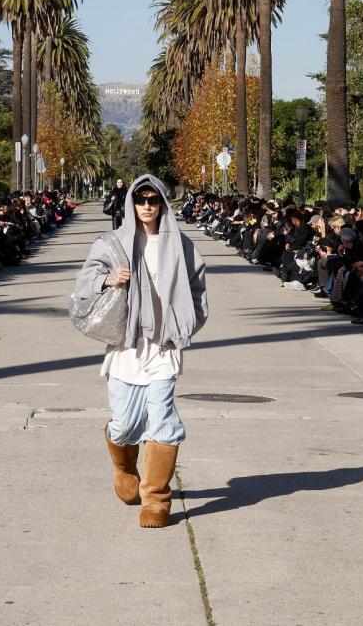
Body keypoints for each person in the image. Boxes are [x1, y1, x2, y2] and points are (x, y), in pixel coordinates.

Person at [75, 175, 208, 528]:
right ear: (131, 203)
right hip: (127, 346)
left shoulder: (182, 246)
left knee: (163, 419)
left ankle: (157, 500)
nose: (147, 205)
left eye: (153, 199)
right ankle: (123, 466)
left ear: (163, 202)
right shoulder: (113, 242)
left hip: (163, 347)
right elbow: (84, 281)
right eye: (140, 199)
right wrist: (108, 279)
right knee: (125, 425)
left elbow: (198, 293)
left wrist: (184, 323)